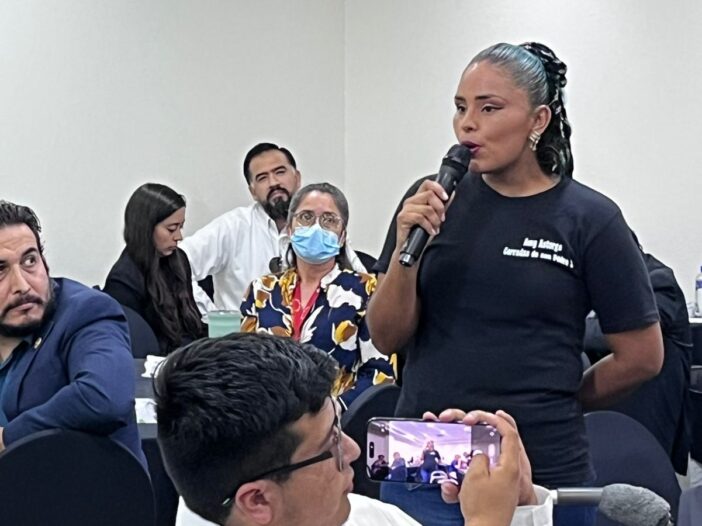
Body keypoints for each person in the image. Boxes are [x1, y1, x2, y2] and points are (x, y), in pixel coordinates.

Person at [367, 42, 664, 526]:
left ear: (538, 120)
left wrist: (559, 398)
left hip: (541, 464)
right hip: (424, 459)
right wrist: (406, 249)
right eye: (460, 107)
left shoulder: (590, 219)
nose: (467, 124)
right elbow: (385, 336)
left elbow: (643, 357)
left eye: (489, 108)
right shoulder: (431, 201)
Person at [153, 332, 553, 526]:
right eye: (330, 445)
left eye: (338, 427)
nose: (354, 450)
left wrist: (520, 506)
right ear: (257, 500)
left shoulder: (362, 516)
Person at [0, 201, 145, 466]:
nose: (22, 286)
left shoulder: (87, 312)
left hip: (81, 486)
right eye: (0, 271)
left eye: (30, 261)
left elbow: (105, 398)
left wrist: (7, 438)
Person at [239, 183, 394, 410]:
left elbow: (380, 373)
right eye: (306, 217)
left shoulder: (367, 290)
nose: (316, 227)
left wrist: (332, 412)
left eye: (329, 220)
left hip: (339, 418)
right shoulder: (262, 290)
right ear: (290, 229)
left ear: (342, 237)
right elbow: (245, 366)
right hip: (270, 418)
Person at [104, 183, 205, 354]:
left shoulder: (179, 260)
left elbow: (191, 325)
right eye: (171, 229)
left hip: (187, 354)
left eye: (180, 227)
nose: (179, 236)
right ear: (146, 228)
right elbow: (136, 344)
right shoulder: (123, 281)